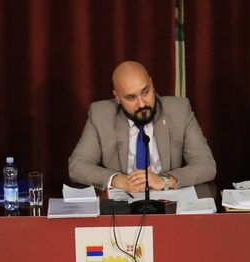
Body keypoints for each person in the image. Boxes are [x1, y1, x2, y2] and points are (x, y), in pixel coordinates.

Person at [68, 61, 216, 192]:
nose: (142, 104)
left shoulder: (179, 111)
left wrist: (164, 180)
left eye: (145, 92)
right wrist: (118, 180)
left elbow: (206, 165)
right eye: (131, 97)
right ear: (117, 97)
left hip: (167, 203)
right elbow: (77, 166)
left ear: (152, 84)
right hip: (122, 205)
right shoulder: (101, 115)